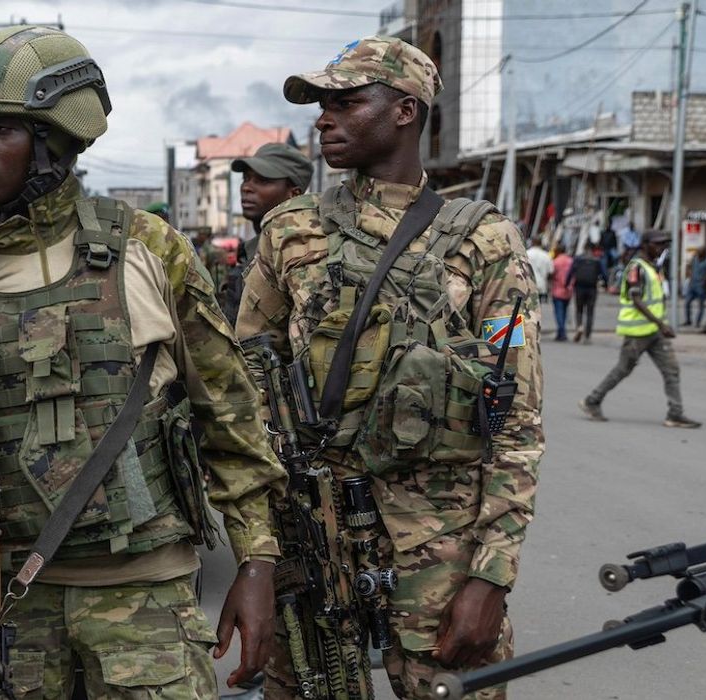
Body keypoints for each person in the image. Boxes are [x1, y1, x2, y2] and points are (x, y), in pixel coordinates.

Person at [0, 25, 287, 698]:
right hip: (10, 607)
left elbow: (231, 424)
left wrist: (257, 563)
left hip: (145, 604)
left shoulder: (150, 251)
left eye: (0, 127)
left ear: (55, 136)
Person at [237, 35, 542, 700]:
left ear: (404, 111)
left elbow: (514, 424)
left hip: (436, 554)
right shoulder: (290, 232)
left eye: (344, 102)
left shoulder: (485, 242)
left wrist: (490, 576)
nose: (323, 118)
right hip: (311, 543)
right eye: (320, 105)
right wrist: (257, 556)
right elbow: (245, 407)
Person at [579, 230, 701, 428]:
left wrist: (659, 325)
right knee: (623, 369)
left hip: (654, 331)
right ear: (645, 245)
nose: (661, 248)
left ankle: (675, 413)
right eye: (657, 244)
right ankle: (592, 401)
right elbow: (636, 299)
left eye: (663, 245)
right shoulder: (637, 267)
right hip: (638, 332)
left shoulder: (652, 267)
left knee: (671, 370)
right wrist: (662, 324)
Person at [232, 141, 313, 260]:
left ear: (294, 194)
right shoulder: (258, 248)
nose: (246, 187)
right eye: (246, 178)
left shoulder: (300, 252)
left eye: (262, 180)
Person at [569, 244, 610, 343]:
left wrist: (567, 283)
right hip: (592, 288)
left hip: (579, 287)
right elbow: (604, 274)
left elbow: (571, 272)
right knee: (590, 312)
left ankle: (579, 326)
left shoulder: (578, 259)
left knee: (579, 309)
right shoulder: (597, 261)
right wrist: (606, 284)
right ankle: (587, 335)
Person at [684, 247, 706, 327]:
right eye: (698, 252)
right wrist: (689, 275)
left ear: (704, 253)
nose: (699, 254)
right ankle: (688, 321)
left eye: (701, 252)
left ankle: (698, 322)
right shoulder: (695, 258)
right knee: (687, 302)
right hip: (692, 284)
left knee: (701, 305)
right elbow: (689, 266)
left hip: (701, 286)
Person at [551, 243, 573, 341]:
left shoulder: (556, 262)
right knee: (564, 311)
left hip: (557, 289)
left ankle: (561, 331)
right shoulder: (571, 261)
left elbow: (551, 274)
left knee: (559, 312)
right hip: (568, 290)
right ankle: (561, 332)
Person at [526, 238, 553, 304]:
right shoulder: (546, 255)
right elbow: (551, 271)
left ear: (532, 243)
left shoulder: (526, 253)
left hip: (527, 284)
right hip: (541, 285)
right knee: (538, 307)